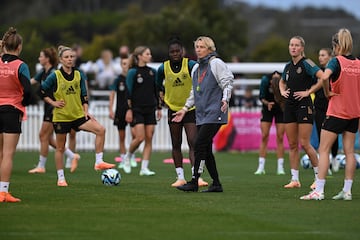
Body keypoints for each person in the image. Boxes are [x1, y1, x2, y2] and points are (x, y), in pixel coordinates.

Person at [41, 45, 115, 187]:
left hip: (77, 116)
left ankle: (99, 162)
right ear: (61, 60)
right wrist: (53, 103)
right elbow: (42, 90)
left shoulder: (79, 74)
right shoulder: (55, 75)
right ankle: (61, 178)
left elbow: (84, 95)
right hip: (62, 117)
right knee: (61, 148)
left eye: (72, 57)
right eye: (67, 57)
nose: (70, 59)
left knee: (101, 130)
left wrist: (86, 110)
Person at [300, 28, 360, 200]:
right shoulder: (357, 62)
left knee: (323, 149)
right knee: (349, 152)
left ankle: (319, 190)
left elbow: (325, 77)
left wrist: (327, 93)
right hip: (354, 112)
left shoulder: (335, 61)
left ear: (335, 45)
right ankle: (347, 191)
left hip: (337, 112)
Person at [173, 36, 234, 192]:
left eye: (201, 47)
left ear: (210, 49)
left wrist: (225, 99)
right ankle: (217, 184)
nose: (198, 49)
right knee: (206, 149)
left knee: (199, 144)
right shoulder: (196, 68)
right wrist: (185, 109)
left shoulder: (216, 63)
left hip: (215, 112)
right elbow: (194, 92)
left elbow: (227, 81)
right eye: (197, 47)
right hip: (202, 114)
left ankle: (194, 181)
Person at [156, 37, 208, 187]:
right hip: (173, 109)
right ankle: (180, 177)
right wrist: (161, 98)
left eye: (177, 51)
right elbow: (158, 85)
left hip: (190, 109)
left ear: (182, 51)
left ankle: (196, 176)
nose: (175, 54)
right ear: (168, 53)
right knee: (176, 143)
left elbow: (201, 80)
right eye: (172, 52)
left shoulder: (191, 65)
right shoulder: (163, 68)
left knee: (193, 142)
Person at [279, 36, 323, 189]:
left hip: (304, 105)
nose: (293, 47)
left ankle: (319, 178)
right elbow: (282, 81)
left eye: (296, 45)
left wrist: (308, 92)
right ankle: (295, 180)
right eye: (291, 45)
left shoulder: (308, 63)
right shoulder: (288, 66)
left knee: (305, 143)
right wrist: (282, 90)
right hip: (289, 106)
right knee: (292, 144)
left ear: (302, 48)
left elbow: (322, 78)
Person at [28, 47, 80, 174]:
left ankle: (41, 165)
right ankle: (72, 155)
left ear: (47, 59)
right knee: (48, 138)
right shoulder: (43, 71)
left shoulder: (54, 72)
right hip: (48, 107)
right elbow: (30, 82)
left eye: (41, 56)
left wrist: (54, 104)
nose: (39, 58)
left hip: (54, 108)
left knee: (43, 135)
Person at [0, 27, 32, 202]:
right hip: (12, 111)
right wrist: (24, 103)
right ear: (19, 47)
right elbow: (27, 90)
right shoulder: (21, 65)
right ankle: (3, 192)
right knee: (8, 154)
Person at [122, 46, 162, 176]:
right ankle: (128, 156)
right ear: (139, 56)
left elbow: (157, 91)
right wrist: (129, 110)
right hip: (137, 109)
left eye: (150, 54)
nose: (149, 56)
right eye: (147, 54)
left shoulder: (153, 72)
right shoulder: (133, 72)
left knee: (149, 138)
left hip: (150, 108)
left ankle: (144, 168)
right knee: (140, 137)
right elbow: (128, 92)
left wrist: (159, 108)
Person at [255, 71, 286, 175]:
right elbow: (261, 97)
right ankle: (261, 167)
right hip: (267, 108)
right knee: (264, 136)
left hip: (280, 109)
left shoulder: (285, 80)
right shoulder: (265, 80)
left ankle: (280, 167)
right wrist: (267, 103)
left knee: (280, 137)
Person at [313, 48, 339, 173]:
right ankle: (325, 163)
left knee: (333, 136)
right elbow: (312, 87)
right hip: (319, 107)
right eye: (319, 55)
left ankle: (334, 158)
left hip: (332, 107)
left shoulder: (334, 71)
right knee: (320, 135)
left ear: (330, 57)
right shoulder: (316, 72)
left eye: (323, 55)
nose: (320, 57)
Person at [109, 57, 136, 169]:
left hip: (132, 110)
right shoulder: (117, 80)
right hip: (120, 111)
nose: (126, 65)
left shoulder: (133, 77)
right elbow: (112, 94)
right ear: (121, 65)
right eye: (124, 63)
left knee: (135, 134)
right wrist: (110, 109)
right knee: (122, 137)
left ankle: (132, 157)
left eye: (127, 63)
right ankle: (123, 158)